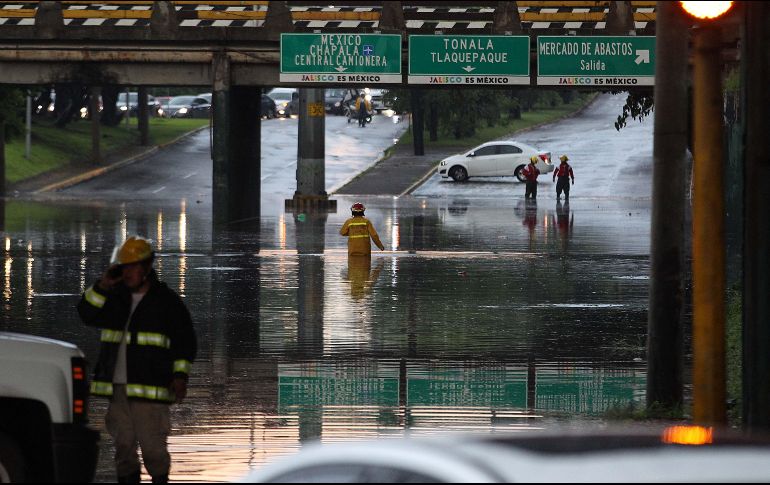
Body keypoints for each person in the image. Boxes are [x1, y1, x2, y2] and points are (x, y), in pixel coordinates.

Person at [77, 236, 196, 484]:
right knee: (124, 450)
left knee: (154, 451)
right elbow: (86, 314)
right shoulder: (114, 297)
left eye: (132, 266)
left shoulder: (166, 302)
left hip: (151, 390)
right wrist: (102, 285)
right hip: (118, 390)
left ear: (146, 268)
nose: (127, 272)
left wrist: (180, 377)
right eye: (123, 266)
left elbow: (184, 343)